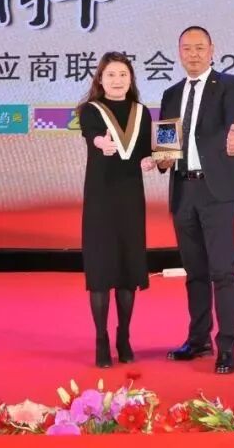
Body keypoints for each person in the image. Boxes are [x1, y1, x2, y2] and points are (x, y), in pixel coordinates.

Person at [156, 26, 234, 374]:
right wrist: (160, 158)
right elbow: (166, 145)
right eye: (187, 48)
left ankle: (227, 347)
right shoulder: (170, 94)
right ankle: (198, 340)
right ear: (179, 52)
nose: (193, 54)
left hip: (217, 192)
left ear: (212, 50)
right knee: (194, 272)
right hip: (183, 190)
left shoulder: (227, 85)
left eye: (199, 48)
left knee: (222, 271)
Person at [77, 51, 157, 368]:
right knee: (100, 271)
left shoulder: (141, 112)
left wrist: (151, 160)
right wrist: (102, 143)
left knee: (127, 270)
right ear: (100, 78)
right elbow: (92, 136)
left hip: (130, 198)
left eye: (123, 74)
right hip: (101, 199)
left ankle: (124, 337)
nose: (117, 80)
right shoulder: (90, 110)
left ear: (131, 78)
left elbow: (146, 151)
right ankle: (101, 339)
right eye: (111, 74)